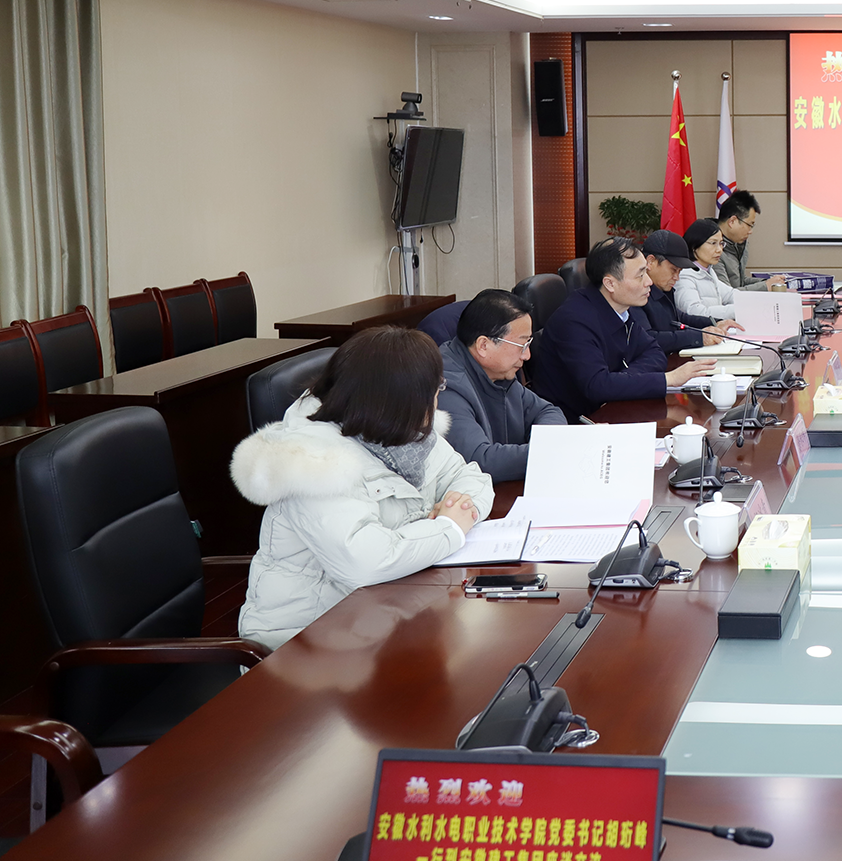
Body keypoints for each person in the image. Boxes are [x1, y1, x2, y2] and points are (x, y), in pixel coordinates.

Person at [230, 327, 494, 649]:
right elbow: (366, 562)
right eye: (435, 388)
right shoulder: (311, 464)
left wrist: (457, 508)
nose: (438, 397)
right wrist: (448, 528)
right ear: (397, 400)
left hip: (382, 613)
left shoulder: (408, 433)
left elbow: (472, 477)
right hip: (305, 642)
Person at [533, 236, 717, 422]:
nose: (649, 282)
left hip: (612, 411)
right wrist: (668, 379)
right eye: (640, 276)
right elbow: (597, 386)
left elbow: (654, 352)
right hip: (577, 424)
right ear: (610, 284)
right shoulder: (574, 321)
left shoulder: (619, 308)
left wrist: (621, 378)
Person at [438, 288, 565, 483]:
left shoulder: (498, 371)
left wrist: (549, 445)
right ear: (483, 345)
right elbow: (481, 461)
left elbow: (547, 411)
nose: (527, 355)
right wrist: (552, 451)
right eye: (522, 345)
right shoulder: (445, 386)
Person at [634, 229, 744, 349]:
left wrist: (715, 323)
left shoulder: (662, 289)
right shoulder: (634, 294)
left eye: (679, 271)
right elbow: (648, 338)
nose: (677, 277)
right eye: (673, 270)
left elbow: (679, 318)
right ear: (651, 262)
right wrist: (699, 337)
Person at [714, 191, 786, 292]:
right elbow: (726, 295)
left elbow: (740, 282)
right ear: (732, 221)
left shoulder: (738, 245)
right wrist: (765, 286)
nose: (750, 231)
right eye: (749, 225)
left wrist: (770, 282)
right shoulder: (712, 249)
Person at [675, 219, 743, 321]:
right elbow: (694, 311)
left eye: (721, 243)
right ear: (694, 246)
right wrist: (736, 310)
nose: (719, 250)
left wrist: (754, 302)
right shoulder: (684, 275)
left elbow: (730, 295)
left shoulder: (708, 271)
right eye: (713, 243)